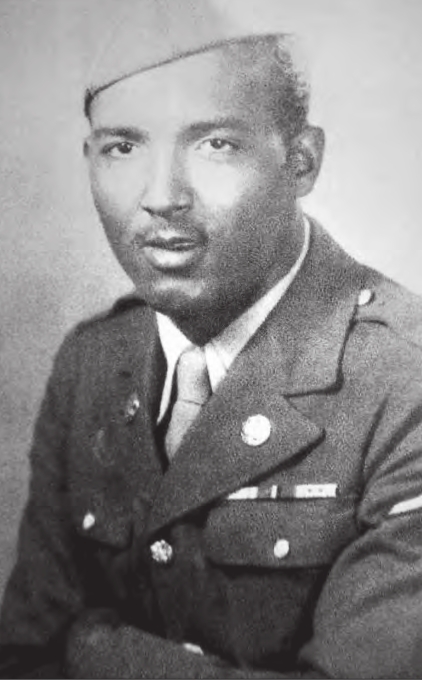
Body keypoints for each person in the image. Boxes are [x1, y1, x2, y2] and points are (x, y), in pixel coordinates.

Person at [2, 0, 422, 677]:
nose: (161, 195)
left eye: (215, 143)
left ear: (302, 161)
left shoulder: (406, 384)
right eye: (123, 147)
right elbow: (25, 658)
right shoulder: (93, 361)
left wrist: (96, 650)